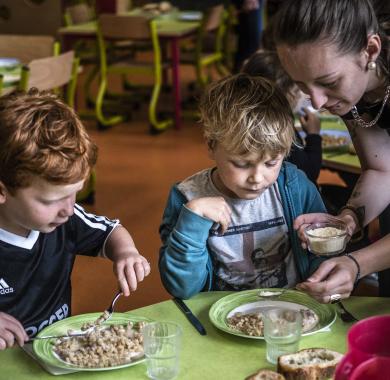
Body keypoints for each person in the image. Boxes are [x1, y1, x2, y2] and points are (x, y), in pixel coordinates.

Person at [0, 90, 150, 350]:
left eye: (75, 194)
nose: (68, 210)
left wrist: (126, 253)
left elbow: (109, 232)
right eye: (50, 201)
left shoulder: (65, 220)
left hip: (56, 352)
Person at [159, 73, 328, 299]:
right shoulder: (187, 197)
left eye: (271, 162)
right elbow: (182, 288)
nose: (257, 178)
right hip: (219, 319)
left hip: (293, 313)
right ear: (211, 145)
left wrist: (323, 276)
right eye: (241, 164)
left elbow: (323, 255)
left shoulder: (295, 186)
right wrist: (193, 220)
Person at [272, 0, 390, 303]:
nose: (318, 102)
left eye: (328, 82)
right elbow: (381, 169)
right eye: (303, 85)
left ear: (370, 51)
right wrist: (347, 220)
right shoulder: (352, 93)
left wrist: (356, 263)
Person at [241, 49, 323, 184]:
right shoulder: (280, 127)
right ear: (286, 94)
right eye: (298, 88)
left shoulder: (248, 119)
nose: (303, 94)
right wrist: (314, 135)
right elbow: (309, 173)